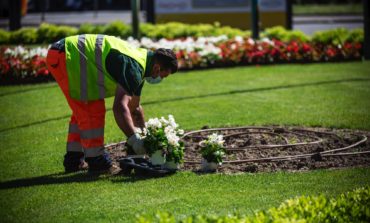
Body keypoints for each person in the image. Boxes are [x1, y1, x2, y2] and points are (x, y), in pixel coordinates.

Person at [46, 34, 178, 174]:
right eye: (163, 76)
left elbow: (134, 108)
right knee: (92, 109)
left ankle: (73, 160)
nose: (160, 79)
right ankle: (97, 161)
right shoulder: (134, 68)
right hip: (67, 55)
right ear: (157, 68)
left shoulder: (142, 63)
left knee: (82, 110)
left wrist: (145, 136)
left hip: (65, 52)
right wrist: (134, 140)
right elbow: (120, 107)